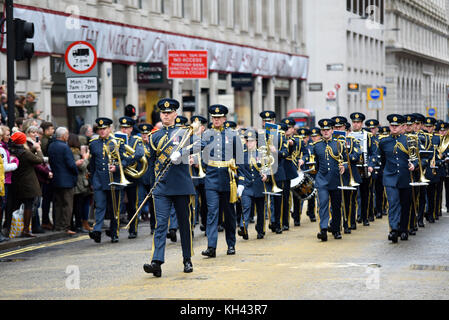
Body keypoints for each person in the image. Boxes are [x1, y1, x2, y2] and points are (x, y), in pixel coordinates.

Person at [143, 98, 197, 277]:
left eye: (169, 112)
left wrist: (182, 153)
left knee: (184, 224)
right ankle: (156, 262)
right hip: (161, 186)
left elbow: (201, 144)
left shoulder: (184, 132)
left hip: (181, 185)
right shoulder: (154, 136)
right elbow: (151, 163)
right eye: (163, 113)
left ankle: (187, 259)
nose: (166, 115)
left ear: (175, 114)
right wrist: (152, 185)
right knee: (160, 225)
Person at [200, 104, 244, 258]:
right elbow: (202, 154)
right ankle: (211, 246)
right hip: (211, 179)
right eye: (214, 118)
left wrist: (242, 182)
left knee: (229, 214)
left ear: (224, 119)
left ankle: (231, 244)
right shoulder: (206, 135)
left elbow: (240, 160)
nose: (216, 120)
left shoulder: (233, 135)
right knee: (212, 213)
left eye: (219, 118)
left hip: (229, 180)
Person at [88, 117, 131, 244]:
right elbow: (93, 163)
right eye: (100, 129)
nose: (102, 131)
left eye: (104, 129)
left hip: (114, 180)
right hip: (99, 180)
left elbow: (126, 160)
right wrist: (92, 179)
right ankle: (97, 231)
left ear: (110, 129)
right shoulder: (94, 143)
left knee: (114, 209)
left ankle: (114, 233)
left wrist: (117, 167)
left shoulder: (117, 142)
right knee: (100, 206)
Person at [303, 119, 347, 241]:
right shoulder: (316, 146)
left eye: (328, 129)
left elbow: (345, 160)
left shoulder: (339, 143)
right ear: (321, 131)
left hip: (336, 179)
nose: (326, 132)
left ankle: (336, 229)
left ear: (332, 130)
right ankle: (323, 229)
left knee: (336, 206)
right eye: (323, 130)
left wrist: (344, 167)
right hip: (322, 179)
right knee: (322, 204)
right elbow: (316, 163)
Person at [378, 115, 418, 243]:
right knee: (393, 203)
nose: (394, 128)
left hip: (405, 176)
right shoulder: (384, 142)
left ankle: (404, 229)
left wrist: (414, 165)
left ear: (402, 127)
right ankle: (394, 230)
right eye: (392, 126)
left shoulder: (409, 140)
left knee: (405, 204)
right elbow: (383, 160)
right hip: (390, 177)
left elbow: (416, 157)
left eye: (397, 126)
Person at [9, 131, 44, 238]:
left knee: (15, 205)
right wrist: (38, 150)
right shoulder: (25, 153)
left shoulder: (12, 151)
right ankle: (26, 229)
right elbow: (39, 160)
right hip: (28, 183)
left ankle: (12, 227)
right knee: (28, 206)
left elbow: (28, 154)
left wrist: (33, 148)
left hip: (16, 182)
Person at [117, 116, 145, 239]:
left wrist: (125, 162)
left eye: (127, 128)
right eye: (122, 128)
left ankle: (133, 229)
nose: (124, 130)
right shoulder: (115, 140)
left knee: (132, 204)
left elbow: (139, 153)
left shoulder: (136, 140)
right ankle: (115, 231)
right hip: (118, 176)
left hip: (132, 177)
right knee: (117, 204)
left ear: (131, 129)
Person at [48, 127, 78, 235]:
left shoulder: (51, 146)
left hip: (55, 179)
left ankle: (58, 226)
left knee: (58, 204)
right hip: (67, 180)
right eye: (67, 134)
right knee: (67, 205)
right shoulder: (65, 147)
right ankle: (65, 227)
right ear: (64, 136)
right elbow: (71, 164)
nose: (68, 136)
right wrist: (76, 170)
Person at [237, 129, 266, 240]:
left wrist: (266, 175)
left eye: (252, 141)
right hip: (247, 186)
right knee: (246, 207)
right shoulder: (241, 155)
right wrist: (241, 185)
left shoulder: (262, 154)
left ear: (256, 141)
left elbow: (267, 168)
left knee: (260, 210)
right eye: (248, 141)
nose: (250, 143)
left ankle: (260, 230)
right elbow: (239, 171)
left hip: (259, 185)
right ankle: (243, 228)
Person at [68, 133, 92, 233]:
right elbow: (81, 167)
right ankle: (78, 225)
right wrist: (86, 158)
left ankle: (77, 224)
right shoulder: (74, 153)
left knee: (77, 204)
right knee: (78, 204)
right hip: (79, 181)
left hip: (79, 181)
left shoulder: (72, 152)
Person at [0, 126, 18, 242]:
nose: (8, 137)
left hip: (5, 181)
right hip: (3, 181)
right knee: (1, 208)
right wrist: (15, 164)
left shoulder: (4, 148)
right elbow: (4, 167)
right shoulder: (1, 149)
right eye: (5, 135)